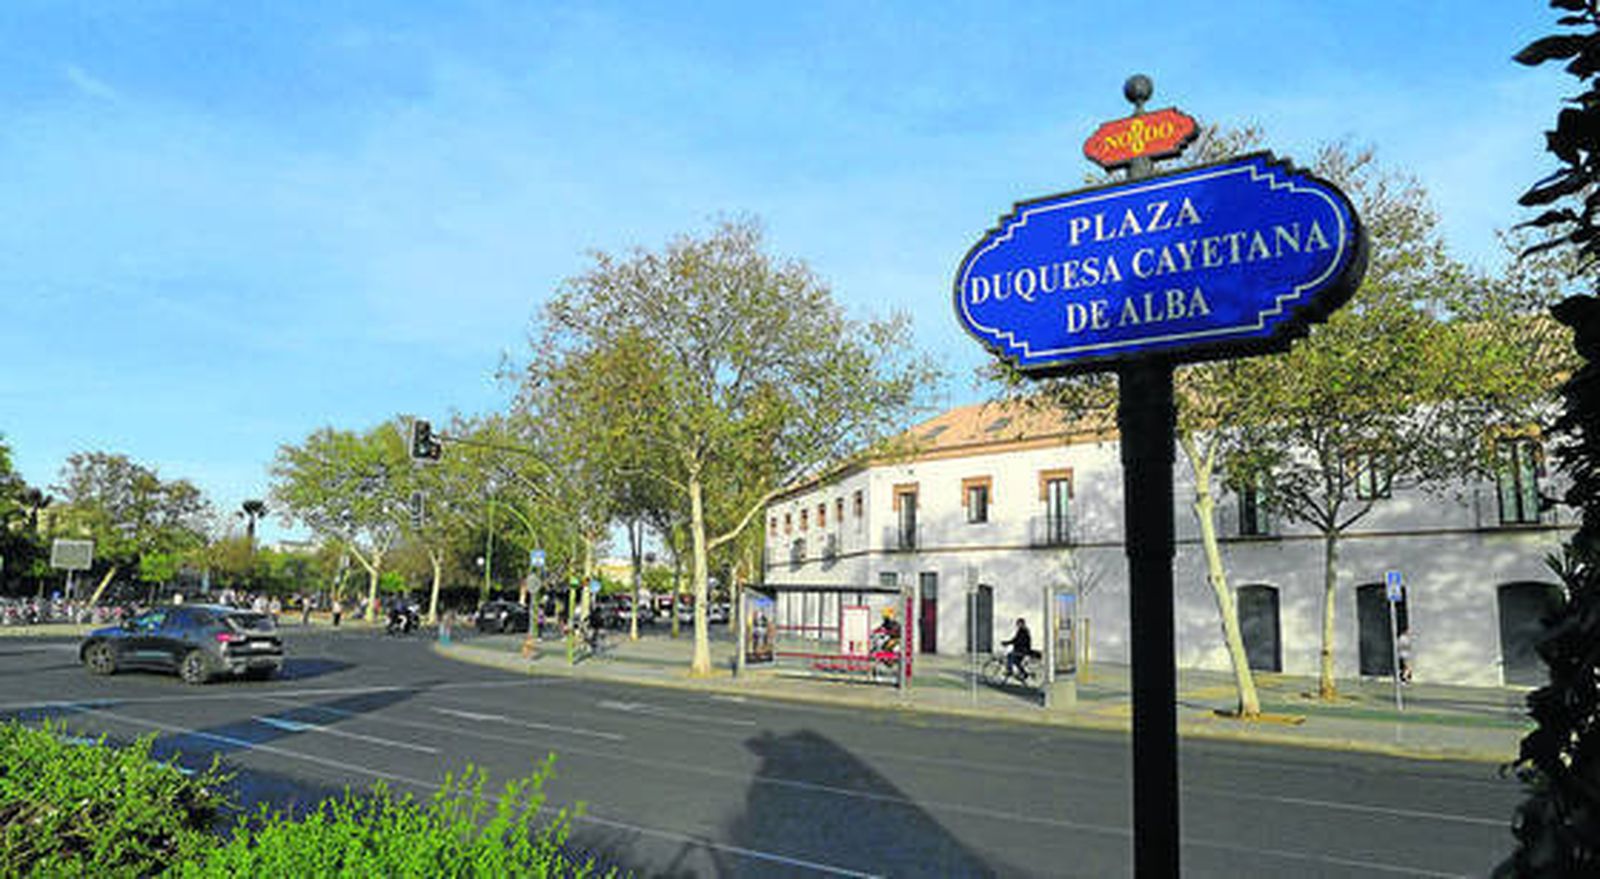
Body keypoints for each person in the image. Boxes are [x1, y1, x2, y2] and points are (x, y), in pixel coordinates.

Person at [1003, 617, 1035, 683]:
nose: (1017, 625)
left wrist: (1007, 643)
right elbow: (1015, 639)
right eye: (1017, 623)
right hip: (1021, 649)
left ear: (1022, 623)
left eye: (1019, 623)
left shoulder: (1024, 631)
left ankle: (1009, 671)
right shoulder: (1021, 630)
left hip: (1022, 650)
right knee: (1016, 661)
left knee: (1010, 655)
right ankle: (1024, 673)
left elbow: (1018, 641)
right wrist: (1007, 642)